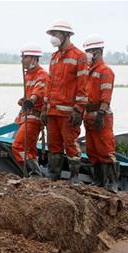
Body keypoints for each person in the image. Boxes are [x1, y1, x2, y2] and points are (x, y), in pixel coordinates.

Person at [42, 19, 88, 183]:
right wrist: (44, 107)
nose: (53, 37)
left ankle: (74, 177)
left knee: (70, 144)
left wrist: (78, 109)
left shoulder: (79, 56)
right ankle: (53, 175)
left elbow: (83, 84)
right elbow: (49, 83)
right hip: (53, 110)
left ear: (66, 35)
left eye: (55, 34)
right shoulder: (54, 57)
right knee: (53, 144)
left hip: (68, 112)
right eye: (52, 34)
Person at [82, 34, 118, 191]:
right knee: (92, 150)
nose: (87, 55)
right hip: (88, 115)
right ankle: (98, 182)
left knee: (105, 149)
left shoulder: (105, 71)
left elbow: (106, 95)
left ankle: (112, 184)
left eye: (89, 51)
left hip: (100, 114)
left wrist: (101, 114)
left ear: (97, 52)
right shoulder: (88, 72)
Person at [12, 42, 49, 176]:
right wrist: (24, 100)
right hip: (26, 116)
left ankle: (34, 172)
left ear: (34, 58)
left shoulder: (42, 75)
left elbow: (37, 92)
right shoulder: (28, 75)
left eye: (25, 58)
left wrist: (31, 100)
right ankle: (34, 174)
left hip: (34, 118)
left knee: (18, 146)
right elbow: (30, 94)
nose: (22, 61)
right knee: (30, 149)